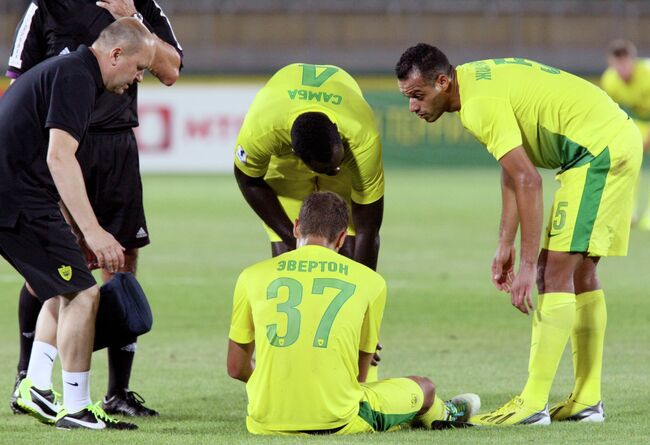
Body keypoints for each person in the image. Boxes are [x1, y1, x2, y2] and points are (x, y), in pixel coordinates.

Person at [395, 44, 642, 426]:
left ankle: (532, 405)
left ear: (443, 82)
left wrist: (527, 268)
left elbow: (529, 180)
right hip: (609, 140)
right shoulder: (474, 83)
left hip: (595, 153)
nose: (413, 107)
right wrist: (504, 244)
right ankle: (587, 401)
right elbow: (513, 169)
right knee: (580, 272)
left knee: (550, 273)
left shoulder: (478, 105)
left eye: (417, 96)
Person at [7, 0, 182, 417]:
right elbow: (21, 89)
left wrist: (135, 19)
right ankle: (52, 392)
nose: (140, 78)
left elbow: (170, 69)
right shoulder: (53, 17)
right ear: (116, 56)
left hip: (104, 151)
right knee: (69, 280)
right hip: (55, 154)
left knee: (84, 272)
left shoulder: (141, 9)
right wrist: (88, 228)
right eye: (137, 70)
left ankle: (73, 388)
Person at [227, 191, 480, 435]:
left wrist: (276, 378)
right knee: (424, 388)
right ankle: (443, 413)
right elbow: (359, 376)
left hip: (264, 422)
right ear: (341, 238)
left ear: (296, 227)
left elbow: (236, 367)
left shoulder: (251, 276)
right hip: (337, 420)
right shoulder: (370, 281)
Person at [233, 63, 384, 271]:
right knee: (290, 260)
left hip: (346, 152)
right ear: (297, 154)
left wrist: (363, 290)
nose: (335, 171)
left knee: (347, 251)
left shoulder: (362, 137)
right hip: (285, 163)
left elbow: (368, 227)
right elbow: (248, 181)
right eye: (328, 169)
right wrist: (292, 240)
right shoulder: (262, 131)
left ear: (336, 131)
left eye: (336, 164)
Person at [601, 39, 650, 230]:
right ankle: (629, 213)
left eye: (626, 62)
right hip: (639, 120)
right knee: (627, 160)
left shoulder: (646, 74)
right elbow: (614, 115)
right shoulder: (609, 80)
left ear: (633, 60)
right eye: (617, 63)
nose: (622, 68)